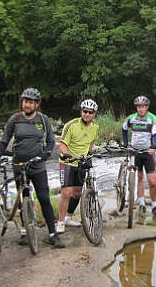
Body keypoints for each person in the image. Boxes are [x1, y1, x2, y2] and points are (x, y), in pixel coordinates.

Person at [0, 88, 63, 248]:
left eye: (31, 102)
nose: (28, 105)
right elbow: (4, 140)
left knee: (44, 198)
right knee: (22, 197)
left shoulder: (43, 120)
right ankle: (24, 230)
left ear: (36, 104)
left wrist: (46, 152)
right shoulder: (15, 120)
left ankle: (53, 234)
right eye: (25, 101)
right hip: (19, 166)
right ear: (22, 102)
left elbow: (51, 141)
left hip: (38, 166)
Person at [56, 99, 100, 233]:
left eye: (90, 112)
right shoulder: (71, 125)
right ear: (81, 112)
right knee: (66, 193)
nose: (87, 114)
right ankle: (61, 221)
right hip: (68, 162)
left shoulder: (95, 127)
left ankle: (69, 218)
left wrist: (88, 154)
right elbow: (62, 145)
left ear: (94, 114)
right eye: (85, 111)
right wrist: (67, 154)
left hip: (82, 163)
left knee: (77, 193)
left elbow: (91, 142)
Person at [121, 95, 156, 219]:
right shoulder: (131, 118)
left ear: (147, 107)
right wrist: (125, 143)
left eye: (143, 107)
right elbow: (124, 129)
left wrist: (154, 145)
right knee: (139, 177)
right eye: (139, 107)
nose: (141, 109)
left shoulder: (152, 118)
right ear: (136, 108)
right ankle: (141, 204)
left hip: (148, 153)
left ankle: (155, 206)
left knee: (152, 182)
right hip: (135, 152)